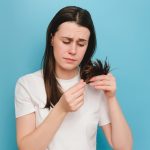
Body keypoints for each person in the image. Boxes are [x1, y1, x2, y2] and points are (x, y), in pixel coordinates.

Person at [14, 6, 133, 150]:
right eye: (66, 41)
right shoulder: (27, 85)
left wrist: (112, 98)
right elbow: (26, 148)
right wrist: (61, 109)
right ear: (52, 39)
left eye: (81, 44)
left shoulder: (95, 85)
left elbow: (124, 147)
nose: (73, 51)